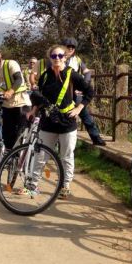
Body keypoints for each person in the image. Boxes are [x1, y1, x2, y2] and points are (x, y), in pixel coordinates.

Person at [30, 43, 94, 199]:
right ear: (50, 58)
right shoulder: (45, 76)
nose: (57, 58)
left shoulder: (73, 75)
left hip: (67, 123)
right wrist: (33, 111)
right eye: (53, 56)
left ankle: (65, 185)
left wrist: (79, 108)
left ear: (65, 58)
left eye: (60, 56)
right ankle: (33, 184)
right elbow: (40, 97)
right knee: (41, 155)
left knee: (66, 156)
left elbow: (89, 91)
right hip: (48, 122)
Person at [63, 38, 106, 146]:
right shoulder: (58, 58)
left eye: (72, 47)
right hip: (61, 94)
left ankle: (96, 138)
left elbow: (87, 72)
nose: (70, 49)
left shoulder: (77, 60)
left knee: (85, 115)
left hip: (75, 94)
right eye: (68, 47)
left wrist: (83, 86)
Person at [0, 46, 32, 151]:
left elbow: (19, 79)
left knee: (20, 134)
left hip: (21, 102)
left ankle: (21, 158)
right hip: (7, 105)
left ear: (0, 55)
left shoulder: (10, 64)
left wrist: (10, 91)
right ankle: (10, 159)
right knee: (7, 135)